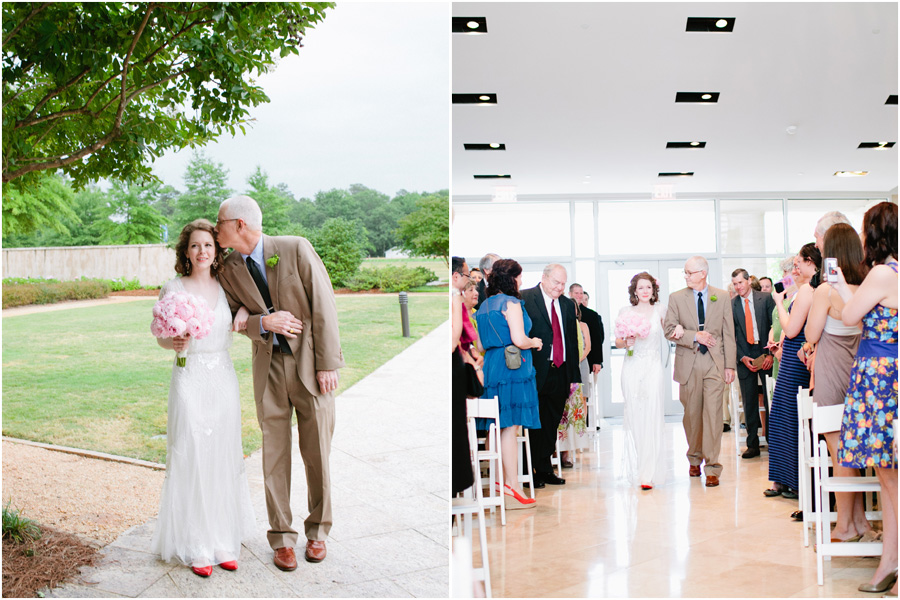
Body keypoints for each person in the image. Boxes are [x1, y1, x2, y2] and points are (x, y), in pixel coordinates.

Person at [214, 195, 344, 569]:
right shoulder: (228, 269)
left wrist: (327, 363)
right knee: (274, 454)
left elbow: (324, 304)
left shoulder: (295, 248)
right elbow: (230, 318)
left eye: (220, 222)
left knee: (317, 452)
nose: (216, 226)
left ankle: (318, 532)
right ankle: (282, 538)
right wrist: (261, 323)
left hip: (310, 368)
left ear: (239, 224)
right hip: (267, 369)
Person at [151, 219, 255, 577]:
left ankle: (224, 540)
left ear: (216, 251)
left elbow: (252, 307)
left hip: (223, 379)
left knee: (222, 456)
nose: (202, 252)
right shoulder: (173, 287)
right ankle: (196, 543)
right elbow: (160, 334)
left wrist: (242, 311)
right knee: (192, 456)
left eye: (208, 246)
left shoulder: (227, 286)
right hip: (189, 375)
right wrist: (173, 342)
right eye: (195, 246)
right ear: (186, 251)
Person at [832, 201, 898, 595]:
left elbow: (850, 315)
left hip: (879, 378)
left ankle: (891, 563)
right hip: (889, 374)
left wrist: (840, 286)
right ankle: (889, 563)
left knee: (890, 477)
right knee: (888, 478)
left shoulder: (881, 273)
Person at [805, 223, 873, 543]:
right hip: (861, 374)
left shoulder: (826, 290)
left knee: (839, 453)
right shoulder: (868, 288)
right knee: (855, 452)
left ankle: (844, 525)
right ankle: (861, 523)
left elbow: (811, 335)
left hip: (832, 374)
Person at [474, 259, 543, 508]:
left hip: (492, 363)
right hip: (512, 364)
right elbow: (518, 338)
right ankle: (513, 484)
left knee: (495, 423)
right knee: (510, 427)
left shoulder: (483, 307)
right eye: (519, 276)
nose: (522, 281)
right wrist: (534, 341)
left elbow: (480, 346)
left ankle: (497, 480)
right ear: (510, 278)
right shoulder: (511, 303)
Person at [664, 256, 736, 487]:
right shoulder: (676, 298)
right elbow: (668, 330)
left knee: (714, 415)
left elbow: (728, 333)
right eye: (685, 273)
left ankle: (713, 466)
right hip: (689, 362)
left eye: (689, 272)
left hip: (715, 362)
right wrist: (694, 335)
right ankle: (694, 458)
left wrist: (729, 365)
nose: (686, 276)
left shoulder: (722, 296)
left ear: (703, 273)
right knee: (692, 415)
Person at [766, 243, 820, 508]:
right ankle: (783, 478)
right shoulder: (805, 291)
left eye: (799, 263)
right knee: (781, 418)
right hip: (789, 358)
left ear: (811, 263)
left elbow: (790, 329)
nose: (795, 268)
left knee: (790, 420)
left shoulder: (810, 291)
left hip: (796, 362)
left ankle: (795, 482)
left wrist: (779, 303)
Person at [521, 264, 581, 487]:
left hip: (560, 371)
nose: (560, 287)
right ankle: (529, 471)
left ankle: (545, 469)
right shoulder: (525, 298)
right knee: (533, 423)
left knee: (551, 423)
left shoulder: (566, 304)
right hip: (535, 372)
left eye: (563, 283)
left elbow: (572, 342)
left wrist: (573, 377)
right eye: (556, 282)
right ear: (544, 278)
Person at [616, 272, 670, 490]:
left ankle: (649, 472)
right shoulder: (625, 312)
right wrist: (627, 341)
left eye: (648, 287)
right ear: (634, 291)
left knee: (652, 413)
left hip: (653, 366)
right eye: (641, 288)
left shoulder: (661, 310)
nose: (645, 291)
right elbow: (619, 342)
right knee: (636, 416)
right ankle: (641, 467)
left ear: (653, 290)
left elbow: (670, 333)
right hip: (631, 366)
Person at [731, 268, 775, 459]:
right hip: (745, 356)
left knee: (770, 398)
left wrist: (769, 354)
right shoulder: (731, 305)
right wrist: (741, 357)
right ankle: (752, 444)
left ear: (749, 281)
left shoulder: (765, 299)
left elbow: (774, 326)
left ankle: (774, 442)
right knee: (749, 401)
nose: (738, 287)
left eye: (740, 282)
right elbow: (731, 335)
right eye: (734, 284)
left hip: (764, 351)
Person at [558, 300, 591, 468]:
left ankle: (566, 453)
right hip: (558, 371)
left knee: (570, 413)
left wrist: (574, 363)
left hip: (574, 370)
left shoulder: (578, 325)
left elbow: (583, 347)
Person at [570, 283, 605, 377]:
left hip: (588, 359)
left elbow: (597, 339)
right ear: (570, 294)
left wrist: (597, 361)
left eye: (581, 293)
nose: (579, 295)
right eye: (576, 293)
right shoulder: (562, 311)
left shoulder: (592, 315)